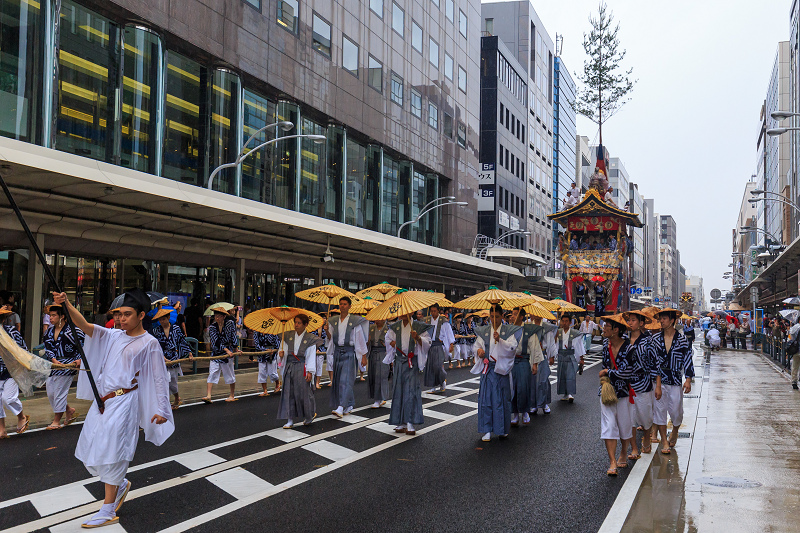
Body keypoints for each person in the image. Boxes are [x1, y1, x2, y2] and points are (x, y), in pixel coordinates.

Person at [53, 288, 173, 529]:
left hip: (125, 402)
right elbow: (86, 326)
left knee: (114, 452)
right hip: (103, 401)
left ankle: (108, 509)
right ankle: (119, 484)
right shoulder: (114, 335)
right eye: (120, 314)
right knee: (93, 448)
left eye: (127, 314)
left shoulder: (149, 343)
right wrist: (66, 304)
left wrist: (162, 408)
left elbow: (160, 378)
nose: (122, 319)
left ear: (141, 315)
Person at [471, 304, 520, 441]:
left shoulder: (507, 331)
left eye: (497, 316)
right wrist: (478, 351)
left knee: (501, 400)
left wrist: (500, 340)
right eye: (491, 316)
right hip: (487, 370)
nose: (494, 319)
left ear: (502, 316)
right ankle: (486, 429)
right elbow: (477, 345)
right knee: (486, 400)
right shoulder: (484, 331)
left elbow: (512, 347)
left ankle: (502, 429)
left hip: (500, 369)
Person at [652, 309, 694, 454]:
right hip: (659, 379)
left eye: (664, 319)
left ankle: (675, 429)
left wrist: (688, 379)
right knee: (660, 411)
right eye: (660, 319)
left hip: (675, 379)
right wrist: (656, 384)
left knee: (676, 411)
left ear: (672, 321)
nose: (661, 321)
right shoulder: (655, 339)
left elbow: (688, 359)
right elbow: (653, 362)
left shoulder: (682, 340)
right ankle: (664, 441)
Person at [384, 308, 432, 434]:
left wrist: (418, 339)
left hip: (411, 362)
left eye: (406, 311)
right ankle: (400, 422)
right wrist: (392, 343)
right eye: (401, 312)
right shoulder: (394, 327)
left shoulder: (418, 326)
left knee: (411, 392)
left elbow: (428, 342)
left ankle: (410, 422)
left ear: (412, 312)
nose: (403, 314)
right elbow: (388, 339)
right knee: (398, 391)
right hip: (399, 361)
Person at [598, 315, 635, 476]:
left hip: (624, 391)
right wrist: (606, 376)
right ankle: (612, 461)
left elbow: (628, 372)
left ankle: (624, 451)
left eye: (607, 326)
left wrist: (608, 372)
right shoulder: (606, 345)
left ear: (616, 330)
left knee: (624, 425)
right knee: (608, 425)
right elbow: (604, 365)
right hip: (607, 391)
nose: (604, 328)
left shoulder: (629, 349)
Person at [277, 314, 323, 428]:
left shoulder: (310, 339)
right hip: (290, 366)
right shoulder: (288, 336)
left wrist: (310, 371)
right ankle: (290, 419)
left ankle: (309, 415)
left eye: (299, 323)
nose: (296, 325)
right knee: (289, 393)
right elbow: (283, 352)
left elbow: (311, 356)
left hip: (302, 366)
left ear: (305, 325)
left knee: (304, 393)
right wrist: (281, 355)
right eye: (295, 322)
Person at [325, 296, 368, 418]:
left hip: (349, 352)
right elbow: (331, 339)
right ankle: (349, 404)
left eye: (344, 304)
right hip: (338, 352)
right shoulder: (333, 321)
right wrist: (327, 330)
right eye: (340, 304)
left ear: (349, 306)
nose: (342, 306)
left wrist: (363, 356)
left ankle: (340, 407)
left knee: (346, 380)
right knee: (339, 381)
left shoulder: (354, 322)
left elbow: (360, 340)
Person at [44, 304, 84, 429]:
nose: (51, 318)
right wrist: (53, 359)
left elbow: (83, 345)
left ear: (62, 316)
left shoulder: (73, 330)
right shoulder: (49, 332)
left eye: (54, 315)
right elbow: (47, 348)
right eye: (50, 315)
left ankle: (56, 420)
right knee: (51, 393)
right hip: (53, 365)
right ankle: (68, 410)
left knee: (59, 393)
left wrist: (79, 358)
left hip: (68, 364)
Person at [624, 310, 656, 457]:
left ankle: (647, 438)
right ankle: (634, 449)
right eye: (629, 320)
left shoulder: (648, 341)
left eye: (633, 320)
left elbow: (655, 363)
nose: (630, 323)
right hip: (625, 384)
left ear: (641, 323)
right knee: (628, 418)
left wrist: (658, 385)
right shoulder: (623, 339)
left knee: (645, 417)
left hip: (644, 383)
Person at [150, 308, 193, 410]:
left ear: (168, 318)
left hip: (173, 357)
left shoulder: (176, 329)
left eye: (164, 319)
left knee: (172, 381)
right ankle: (164, 403)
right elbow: (156, 346)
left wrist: (189, 353)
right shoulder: (156, 331)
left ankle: (177, 397)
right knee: (162, 381)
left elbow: (182, 341)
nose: (162, 321)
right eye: (160, 320)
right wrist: (163, 357)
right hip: (161, 357)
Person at [0, 307, 31, 438]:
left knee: (8, 398)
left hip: (10, 371)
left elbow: (23, 349)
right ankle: (2, 429)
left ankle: (22, 416)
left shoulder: (11, 332)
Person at [510, 308, 543, 427]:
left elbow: (534, 347)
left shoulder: (528, 330)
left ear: (521, 316)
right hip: (511, 361)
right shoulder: (509, 330)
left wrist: (535, 364)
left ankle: (524, 412)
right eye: (512, 314)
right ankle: (514, 414)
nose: (512, 316)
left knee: (523, 388)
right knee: (512, 389)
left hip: (523, 361)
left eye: (515, 314)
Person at [202, 307, 239, 403]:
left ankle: (232, 394)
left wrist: (236, 349)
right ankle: (208, 395)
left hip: (229, 352)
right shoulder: (213, 327)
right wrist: (226, 350)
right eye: (216, 316)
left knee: (229, 373)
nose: (217, 318)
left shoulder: (230, 324)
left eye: (219, 316)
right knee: (212, 372)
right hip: (217, 352)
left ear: (223, 316)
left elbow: (233, 336)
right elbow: (216, 341)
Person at [553, 313, 586, 402]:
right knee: (562, 375)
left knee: (570, 375)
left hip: (570, 356)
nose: (564, 323)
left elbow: (579, 346)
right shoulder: (557, 332)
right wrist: (555, 338)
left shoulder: (574, 333)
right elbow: (554, 345)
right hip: (561, 356)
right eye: (563, 321)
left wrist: (581, 358)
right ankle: (565, 394)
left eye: (566, 321)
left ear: (570, 322)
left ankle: (570, 393)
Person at [424, 303, 454, 393]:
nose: (433, 313)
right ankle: (432, 386)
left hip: (439, 344)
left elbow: (449, 332)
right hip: (430, 344)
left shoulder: (443, 320)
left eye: (435, 311)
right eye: (431, 311)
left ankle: (442, 380)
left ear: (438, 311)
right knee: (430, 366)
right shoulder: (427, 320)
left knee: (438, 366)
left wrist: (451, 343)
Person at [531, 315, 557, 414]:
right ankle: (533, 404)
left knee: (543, 379)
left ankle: (544, 403)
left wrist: (552, 356)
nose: (536, 315)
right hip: (531, 355)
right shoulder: (528, 325)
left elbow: (551, 342)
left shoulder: (547, 327)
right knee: (532, 380)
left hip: (542, 354)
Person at [367, 319, 391, 408]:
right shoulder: (371, 328)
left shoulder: (389, 328)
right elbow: (367, 342)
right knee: (373, 375)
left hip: (383, 353)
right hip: (373, 352)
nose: (377, 321)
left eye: (379, 319)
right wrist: (368, 341)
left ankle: (379, 399)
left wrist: (387, 345)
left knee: (381, 375)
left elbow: (392, 341)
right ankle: (377, 397)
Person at [252, 331, 281, 396]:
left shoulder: (273, 332)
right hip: (261, 355)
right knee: (262, 372)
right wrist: (264, 350)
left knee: (272, 373)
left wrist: (272, 350)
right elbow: (257, 345)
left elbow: (277, 344)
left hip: (271, 355)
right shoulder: (256, 332)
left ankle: (277, 383)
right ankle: (265, 390)